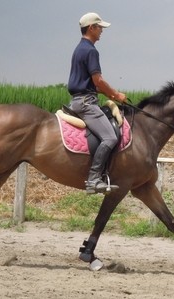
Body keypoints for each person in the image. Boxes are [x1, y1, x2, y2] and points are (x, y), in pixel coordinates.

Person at [67, 12, 127, 194]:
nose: (102, 31)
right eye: (100, 27)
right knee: (110, 137)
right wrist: (116, 94)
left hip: (79, 99)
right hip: (86, 103)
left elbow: (93, 84)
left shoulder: (79, 49)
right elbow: (98, 81)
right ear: (91, 28)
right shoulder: (91, 51)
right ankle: (93, 179)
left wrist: (110, 94)